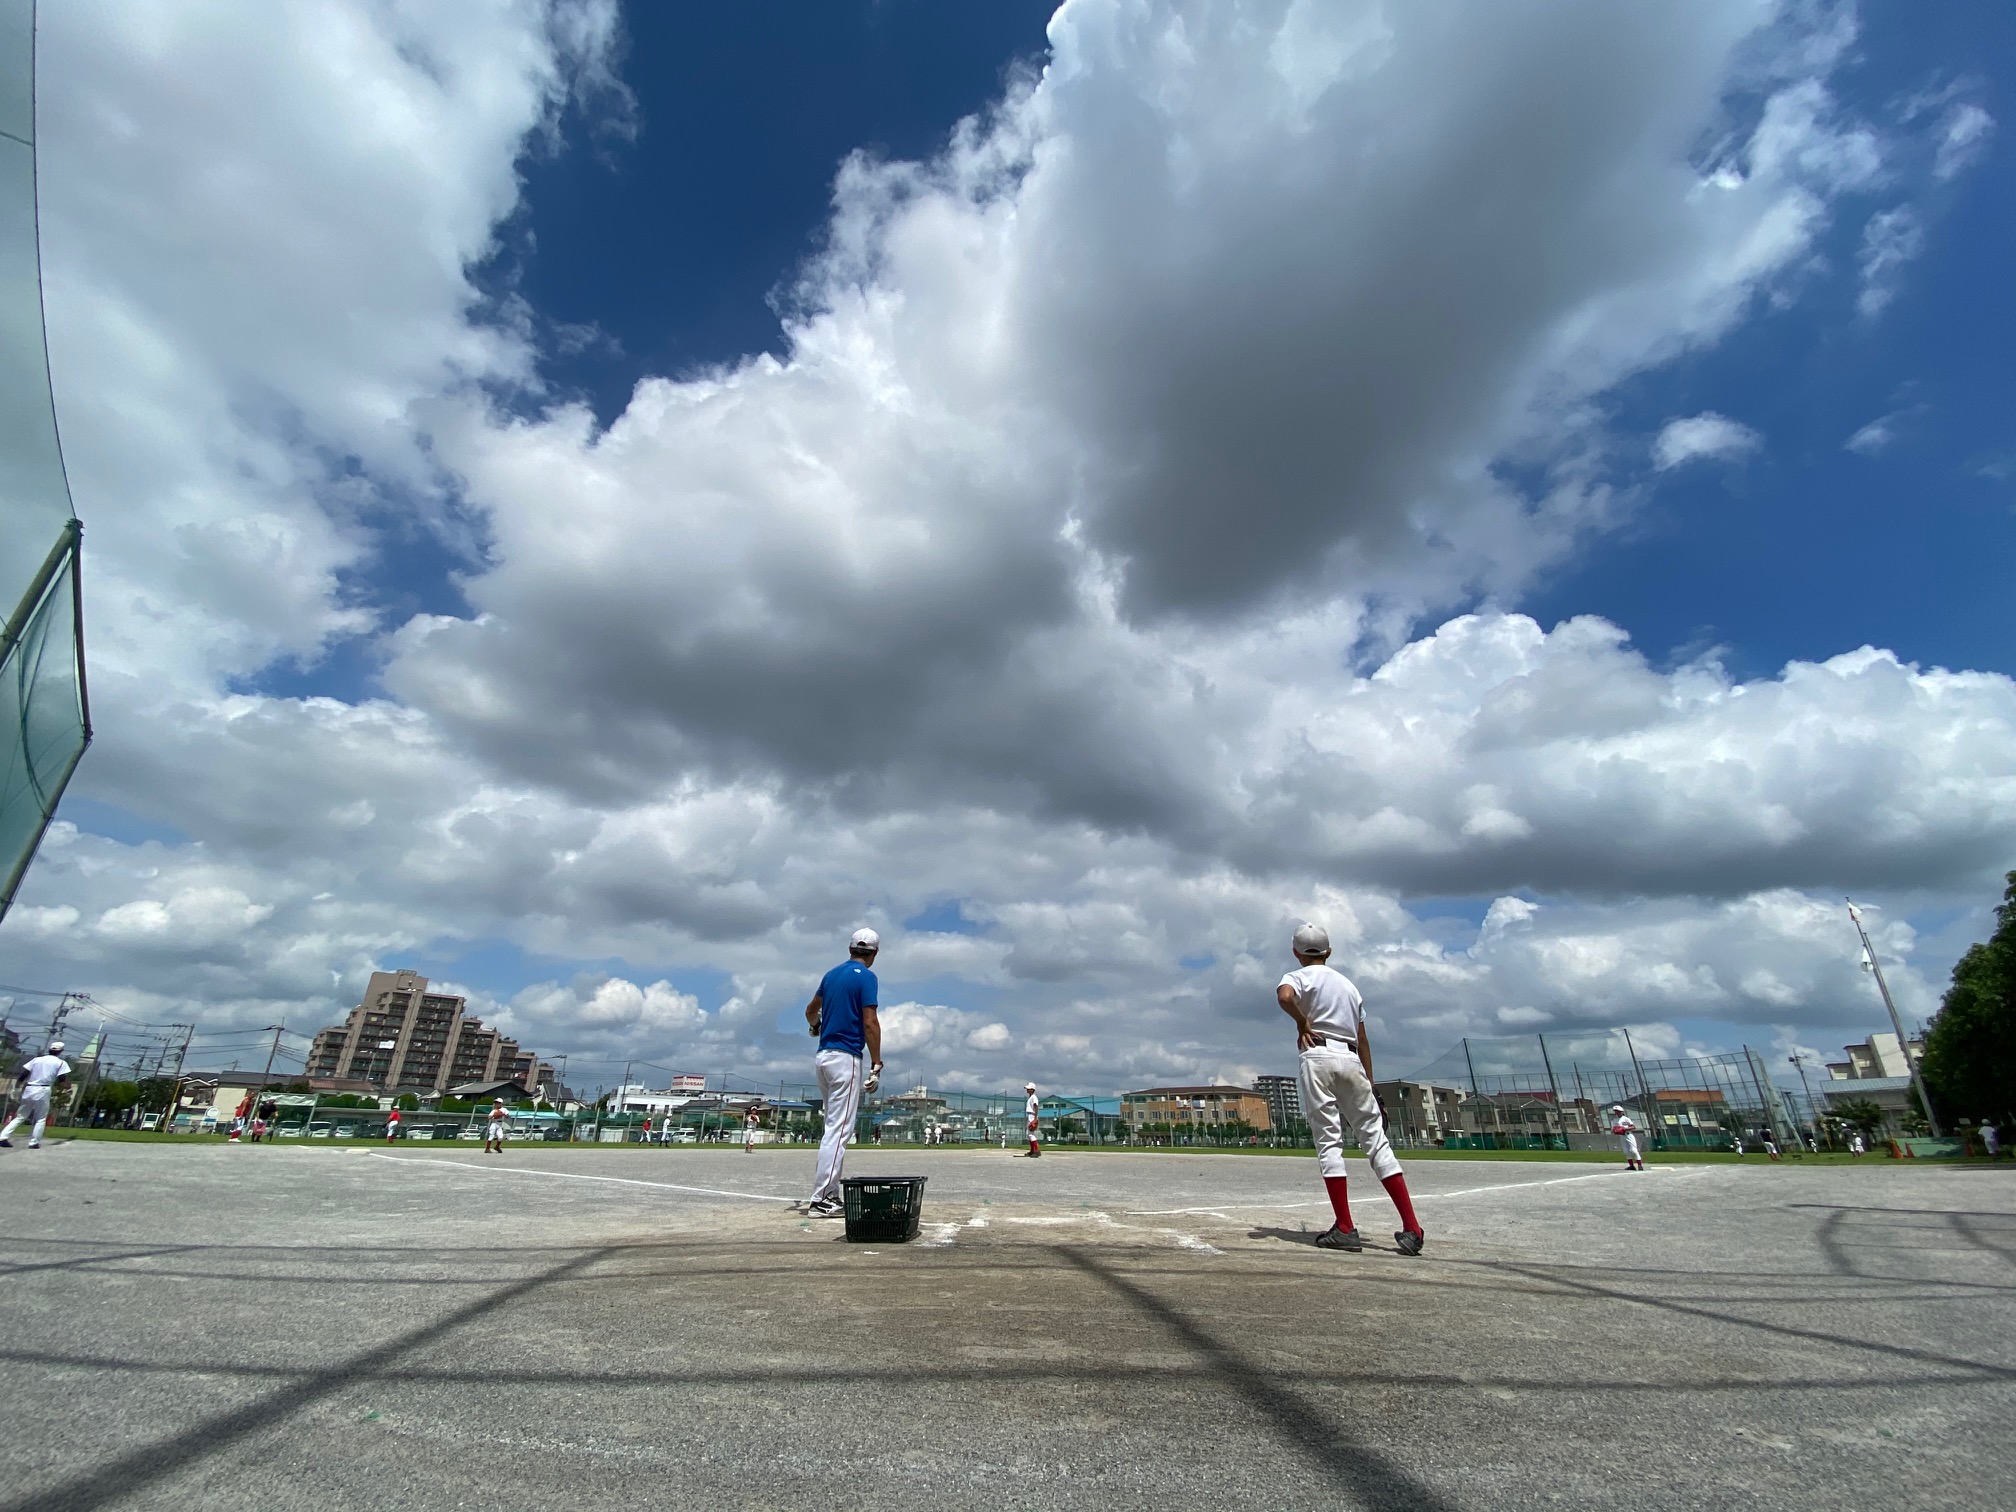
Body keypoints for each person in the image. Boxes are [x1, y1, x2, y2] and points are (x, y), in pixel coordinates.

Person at [1275, 924, 1424, 1255]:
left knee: (1329, 1142)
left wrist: (1302, 1022)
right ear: (1329, 951)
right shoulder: (1349, 986)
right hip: (1351, 1058)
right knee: (1376, 1142)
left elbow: (1284, 997)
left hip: (1317, 1056)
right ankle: (1412, 1228)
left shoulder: (1296, 977)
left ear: (1296, 952)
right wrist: (1370, 1082)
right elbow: (1363, 1038)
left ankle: (1344, 1227)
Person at [802, 928, 883, 1217]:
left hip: (823, 1057)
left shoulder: (831, 975)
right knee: (839, 1131)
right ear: (874, 953)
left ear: (850, 949)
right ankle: (822, 1198)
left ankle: (828, 1194)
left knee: (831, 1128)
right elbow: (870, 1022)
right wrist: (876, 1062)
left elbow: (811, 1011)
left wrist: (816, 1026)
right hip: (846, 1057)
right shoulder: (867, 977)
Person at [1, 1042, 72, 1149]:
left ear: (49, 1050)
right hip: (43, 1089)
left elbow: (24, 1075)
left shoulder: (36, 1060)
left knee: (20, 1116)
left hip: (29, 1088)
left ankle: (3, 1137)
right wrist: (68, 1087)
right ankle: (34, 1142)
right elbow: (62, 1079)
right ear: (60, 1051)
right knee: (40, 1118)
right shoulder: (61, 1063)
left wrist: (17, 1087)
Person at [1610, 1105, 1644, 1170]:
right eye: (1616, 1111)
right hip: (1622, 1136)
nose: (1617, 1112)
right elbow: (1613, 1130)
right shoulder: (1615, 1120)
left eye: (1618, 1111)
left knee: (1633, 1150)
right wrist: (1615, 1131)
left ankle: (1640, 1165)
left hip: (1629, 1135)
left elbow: (1633, 1127)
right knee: (1626, 1151)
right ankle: (1631, 1166)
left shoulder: (1626, 1118)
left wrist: (1624, 1129)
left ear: (1622, 1112)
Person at [1024, 1082, 1042, 1157]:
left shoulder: (1034, 1097)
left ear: (1032, 1089)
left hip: (1032, 1115)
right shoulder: (1030, 1097)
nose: (1027, 1090)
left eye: (1029, 1089)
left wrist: (1035, 1118)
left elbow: (1036, 1106)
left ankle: (1036, 1151)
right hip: (1030, 1115)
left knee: (1031, 1134)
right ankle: (1032, 1151)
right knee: (1028, 1134)